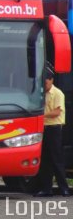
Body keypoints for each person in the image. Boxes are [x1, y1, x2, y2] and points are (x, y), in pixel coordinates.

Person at [34, 63, 71, 197]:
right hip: (43, 128)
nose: (45, 85)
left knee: (57, 159)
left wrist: (41, 115)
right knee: (45, 160)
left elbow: (56, 112)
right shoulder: (41, 93)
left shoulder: (57, 93)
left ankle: (64, 188)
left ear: (51, 80)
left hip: (54, 129)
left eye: (46, 82)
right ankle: (46, 188)